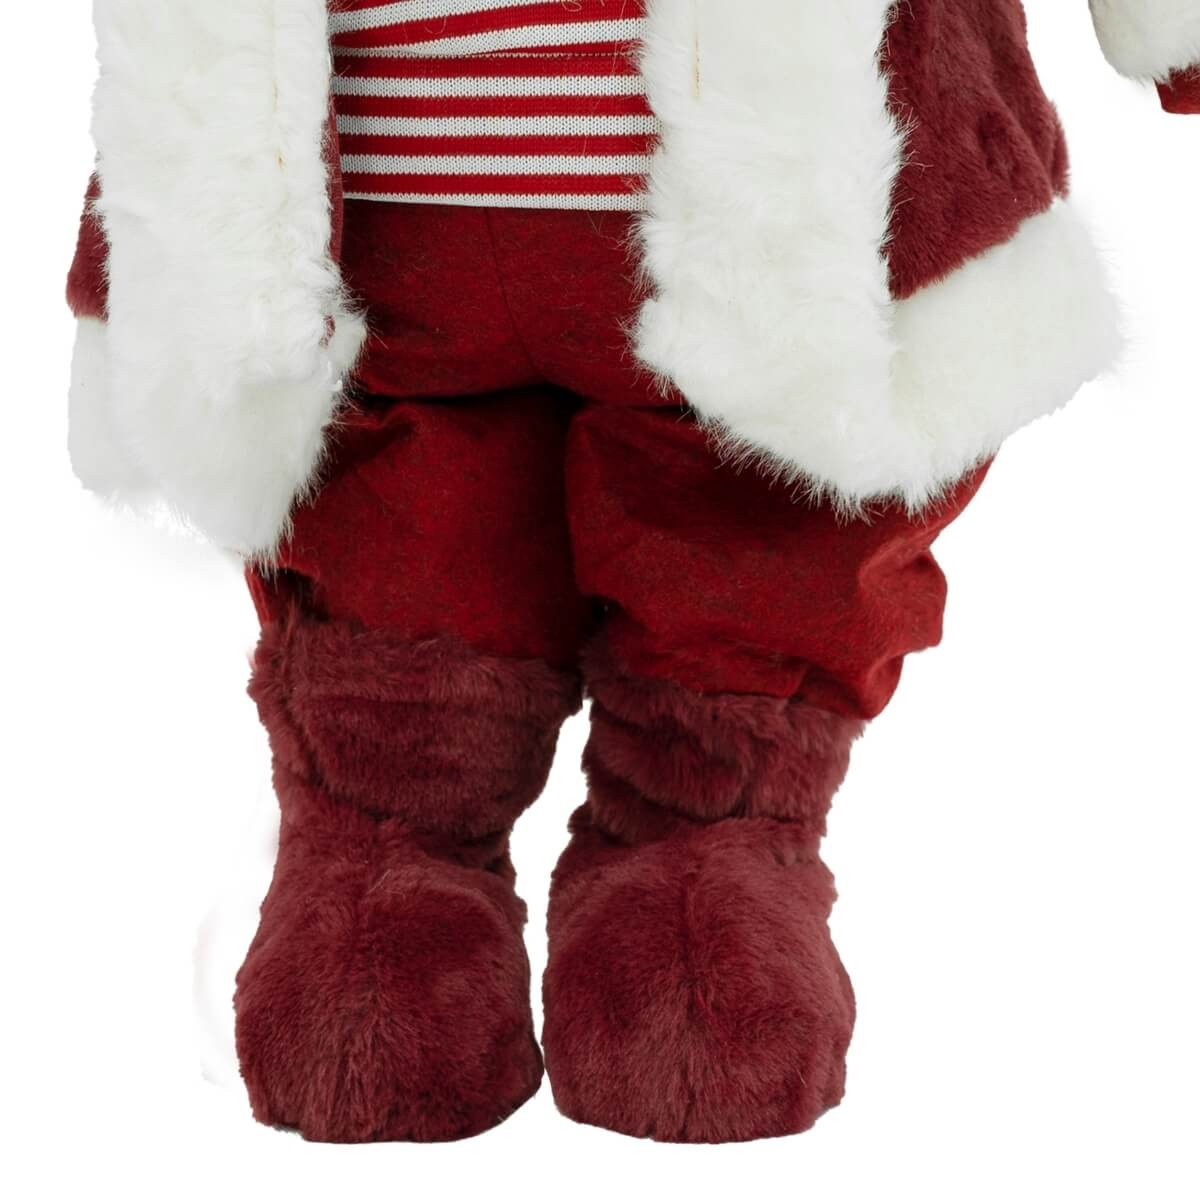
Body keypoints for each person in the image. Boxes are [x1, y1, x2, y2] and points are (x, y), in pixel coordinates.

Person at [66, 0, 1200, 1144]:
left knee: (757, 530)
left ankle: (700, 848)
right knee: (390, 568)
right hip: (368, 231)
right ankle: (389, 843)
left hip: (780, 198)